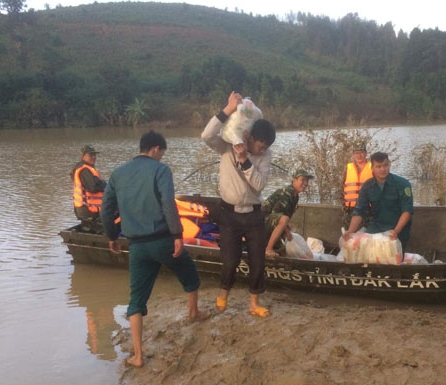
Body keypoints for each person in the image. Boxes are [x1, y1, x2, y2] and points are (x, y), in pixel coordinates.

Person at [100, 130, 206, 368]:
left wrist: (111, 236)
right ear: (156, 149)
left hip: (136, 245)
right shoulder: (161, 170)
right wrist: (177, 235)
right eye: (161, 153)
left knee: (136, 300)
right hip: (162, 240)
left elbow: (106, 210)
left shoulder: (118, 174)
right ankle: (193, 313)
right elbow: (168, 203)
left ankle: (138, 355)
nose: (161, 157)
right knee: (189, 273)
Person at [201, 91, 276, 318]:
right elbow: (206, 135)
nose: (261, 151)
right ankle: (224, 293)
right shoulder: (226, 146)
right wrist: (227, 110)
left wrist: (245, 160)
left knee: (257, 261)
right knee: (230, 260)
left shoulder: (265, 156)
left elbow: (259, 185)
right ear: (249, 137)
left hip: (253, 215)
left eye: (265, 148)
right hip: (229, 214)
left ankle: (254, 303)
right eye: (260, 146)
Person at [342, 151, 414, 251]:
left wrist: (396, 231)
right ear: (372, 168)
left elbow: (407, 211)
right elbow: (359, 211)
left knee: (393, 257)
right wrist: (350, 231)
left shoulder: (402, 184)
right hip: (377, 226)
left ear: (389, 165)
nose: (383, 169)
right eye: (378, 166)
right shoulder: (367, 186)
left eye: (385, 165)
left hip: (399, 229)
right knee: (364, 251)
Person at [262, 168, 314, 257]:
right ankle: (268, 249)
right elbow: (277, 215)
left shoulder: (295, 195)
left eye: (307, 181)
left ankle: (270, 248)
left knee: (282, 251)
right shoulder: (286, 193)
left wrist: (287, 229)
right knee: (284, 220)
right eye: (302, 180)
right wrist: (286, 231)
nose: (305, 183)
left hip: (268, 222)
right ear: (294, 180)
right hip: (259, 222)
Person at [71, 145, 107, 233]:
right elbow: (93, 187)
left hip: (87, 210)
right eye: (90, 155)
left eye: (94, 155)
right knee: (111, 225)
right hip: (89, 211)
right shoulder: (84, 170)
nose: (93, 157)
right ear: (83, 156)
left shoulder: (85, 168)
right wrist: (105, 184)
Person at [342, 140, 373, 229]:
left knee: (367, 238)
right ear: (353, 154)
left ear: (366, 153)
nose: (359, 156)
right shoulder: (348, 168)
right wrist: (343, 206)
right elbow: (342, 189)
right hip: (350, 211)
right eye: (356, 153)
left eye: (361, 152)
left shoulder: (372, 168)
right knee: (350, 239)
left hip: (368, 211)